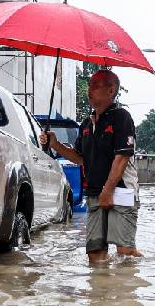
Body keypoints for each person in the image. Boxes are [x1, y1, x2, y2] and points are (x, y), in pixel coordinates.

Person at [43, 69, 141, 261]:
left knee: (125, 254)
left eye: (95, 85)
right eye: (89, 85)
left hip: (121, 192)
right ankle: (101, 290)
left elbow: (122, 157)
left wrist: (108, 191)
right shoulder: (87, 124)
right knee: (95, 256)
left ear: (111, 90)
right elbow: (79, 158)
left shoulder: (121, 117)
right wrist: (55, 144)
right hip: (95, 194)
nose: (89, 90)